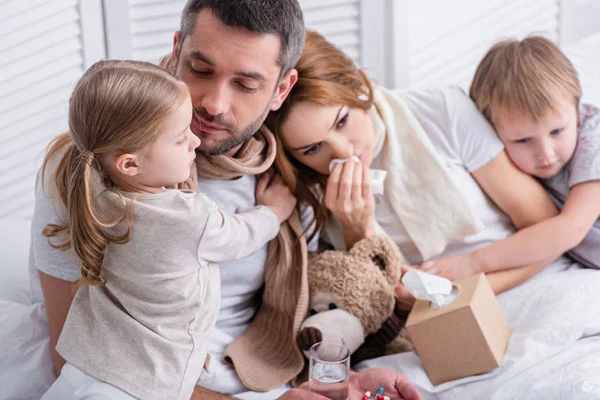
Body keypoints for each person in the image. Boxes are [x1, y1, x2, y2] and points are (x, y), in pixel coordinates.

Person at [30, 1, 421, 399]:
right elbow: (77, 355)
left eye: (246, 85)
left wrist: (336, 385)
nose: (214, 104)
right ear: (177, 49)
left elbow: (326, 309)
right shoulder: (91, 167)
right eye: (200, 70)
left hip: (262, 377)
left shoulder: (285, 170)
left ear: (280, 89)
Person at [39, 59, 297, 399]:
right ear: (130, 163)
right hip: (138, 382)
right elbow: (239, 236)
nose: (194, 142)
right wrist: (272, 211)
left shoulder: (88, 186)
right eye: (180, 138)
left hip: (85, 361)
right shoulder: (189, 218)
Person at [265, 30, 560, 309]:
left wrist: (461, 293)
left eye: (342, 121)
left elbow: (548, 229)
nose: (344, 152)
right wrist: (358, 228)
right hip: (432, 319)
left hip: (525, 280)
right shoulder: (311, 196)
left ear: (358, 86)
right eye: (312, 148)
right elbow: (372, 301)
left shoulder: (442, 112)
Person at [415, 36, 600, 281]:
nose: (545, 153)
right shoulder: (500, 163)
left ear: (576, 110)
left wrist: (472, 263)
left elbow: (571, 228)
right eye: (523, 140)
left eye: (556, 132)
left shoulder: (593, 138)